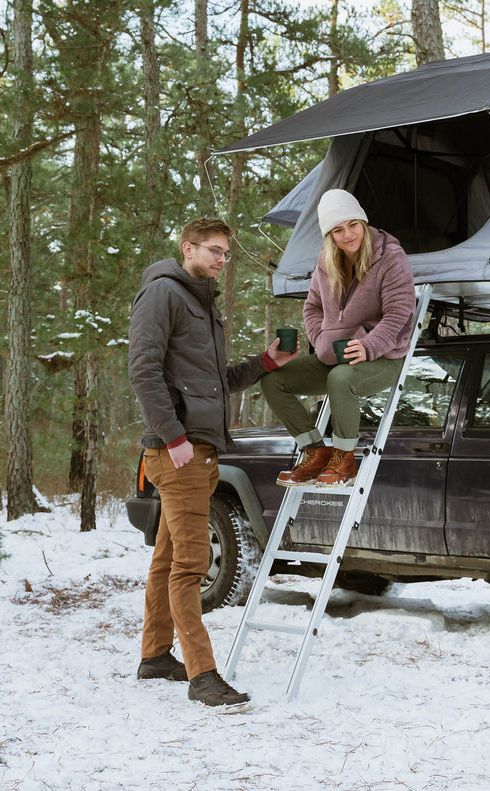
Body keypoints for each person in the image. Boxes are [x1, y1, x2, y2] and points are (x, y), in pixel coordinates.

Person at [128, 217, 297, 706]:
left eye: (227, 253)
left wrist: (265, 364)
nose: (223, 260)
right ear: (188, 249)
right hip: (179, 452)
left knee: (166, 560)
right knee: (191, 566)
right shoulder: (163, 294)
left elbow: (215, 382)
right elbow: (143, 371)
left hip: (199, 450)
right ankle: (203, 677)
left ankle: (156, 655)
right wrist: (174, 436)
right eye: (215, 251)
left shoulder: (203, 305)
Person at [261, 189, 416, 487]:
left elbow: (400, 315)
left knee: (341, 378)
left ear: (363, 221)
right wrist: (320, 342)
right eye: (337, 230)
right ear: (329, 235)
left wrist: (369, 346)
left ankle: (344, 459)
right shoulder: (326, 260)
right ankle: (316, 451)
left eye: (352, 225)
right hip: (334, 356)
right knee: (272, 378)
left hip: (384, 357)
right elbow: (313, 307)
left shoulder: (390, 257)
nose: (347, 235)